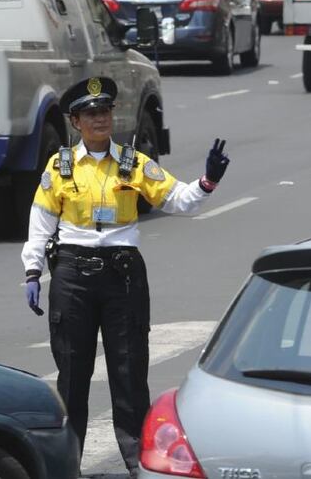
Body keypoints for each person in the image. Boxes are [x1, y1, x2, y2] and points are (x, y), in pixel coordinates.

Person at [20, 77, 230, 478]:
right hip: (73, 274)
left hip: (123, 275)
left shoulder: (132, 162)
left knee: (129, 370)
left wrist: (207, 182)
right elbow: (41, 222)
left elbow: (177, 199)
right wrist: (33, 269)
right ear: (75, 121)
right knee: (72, 372)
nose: (100, 119)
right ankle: (67, 465)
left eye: (105, 111)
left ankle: (139, 466)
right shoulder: (60, 166)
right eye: (91, 114)